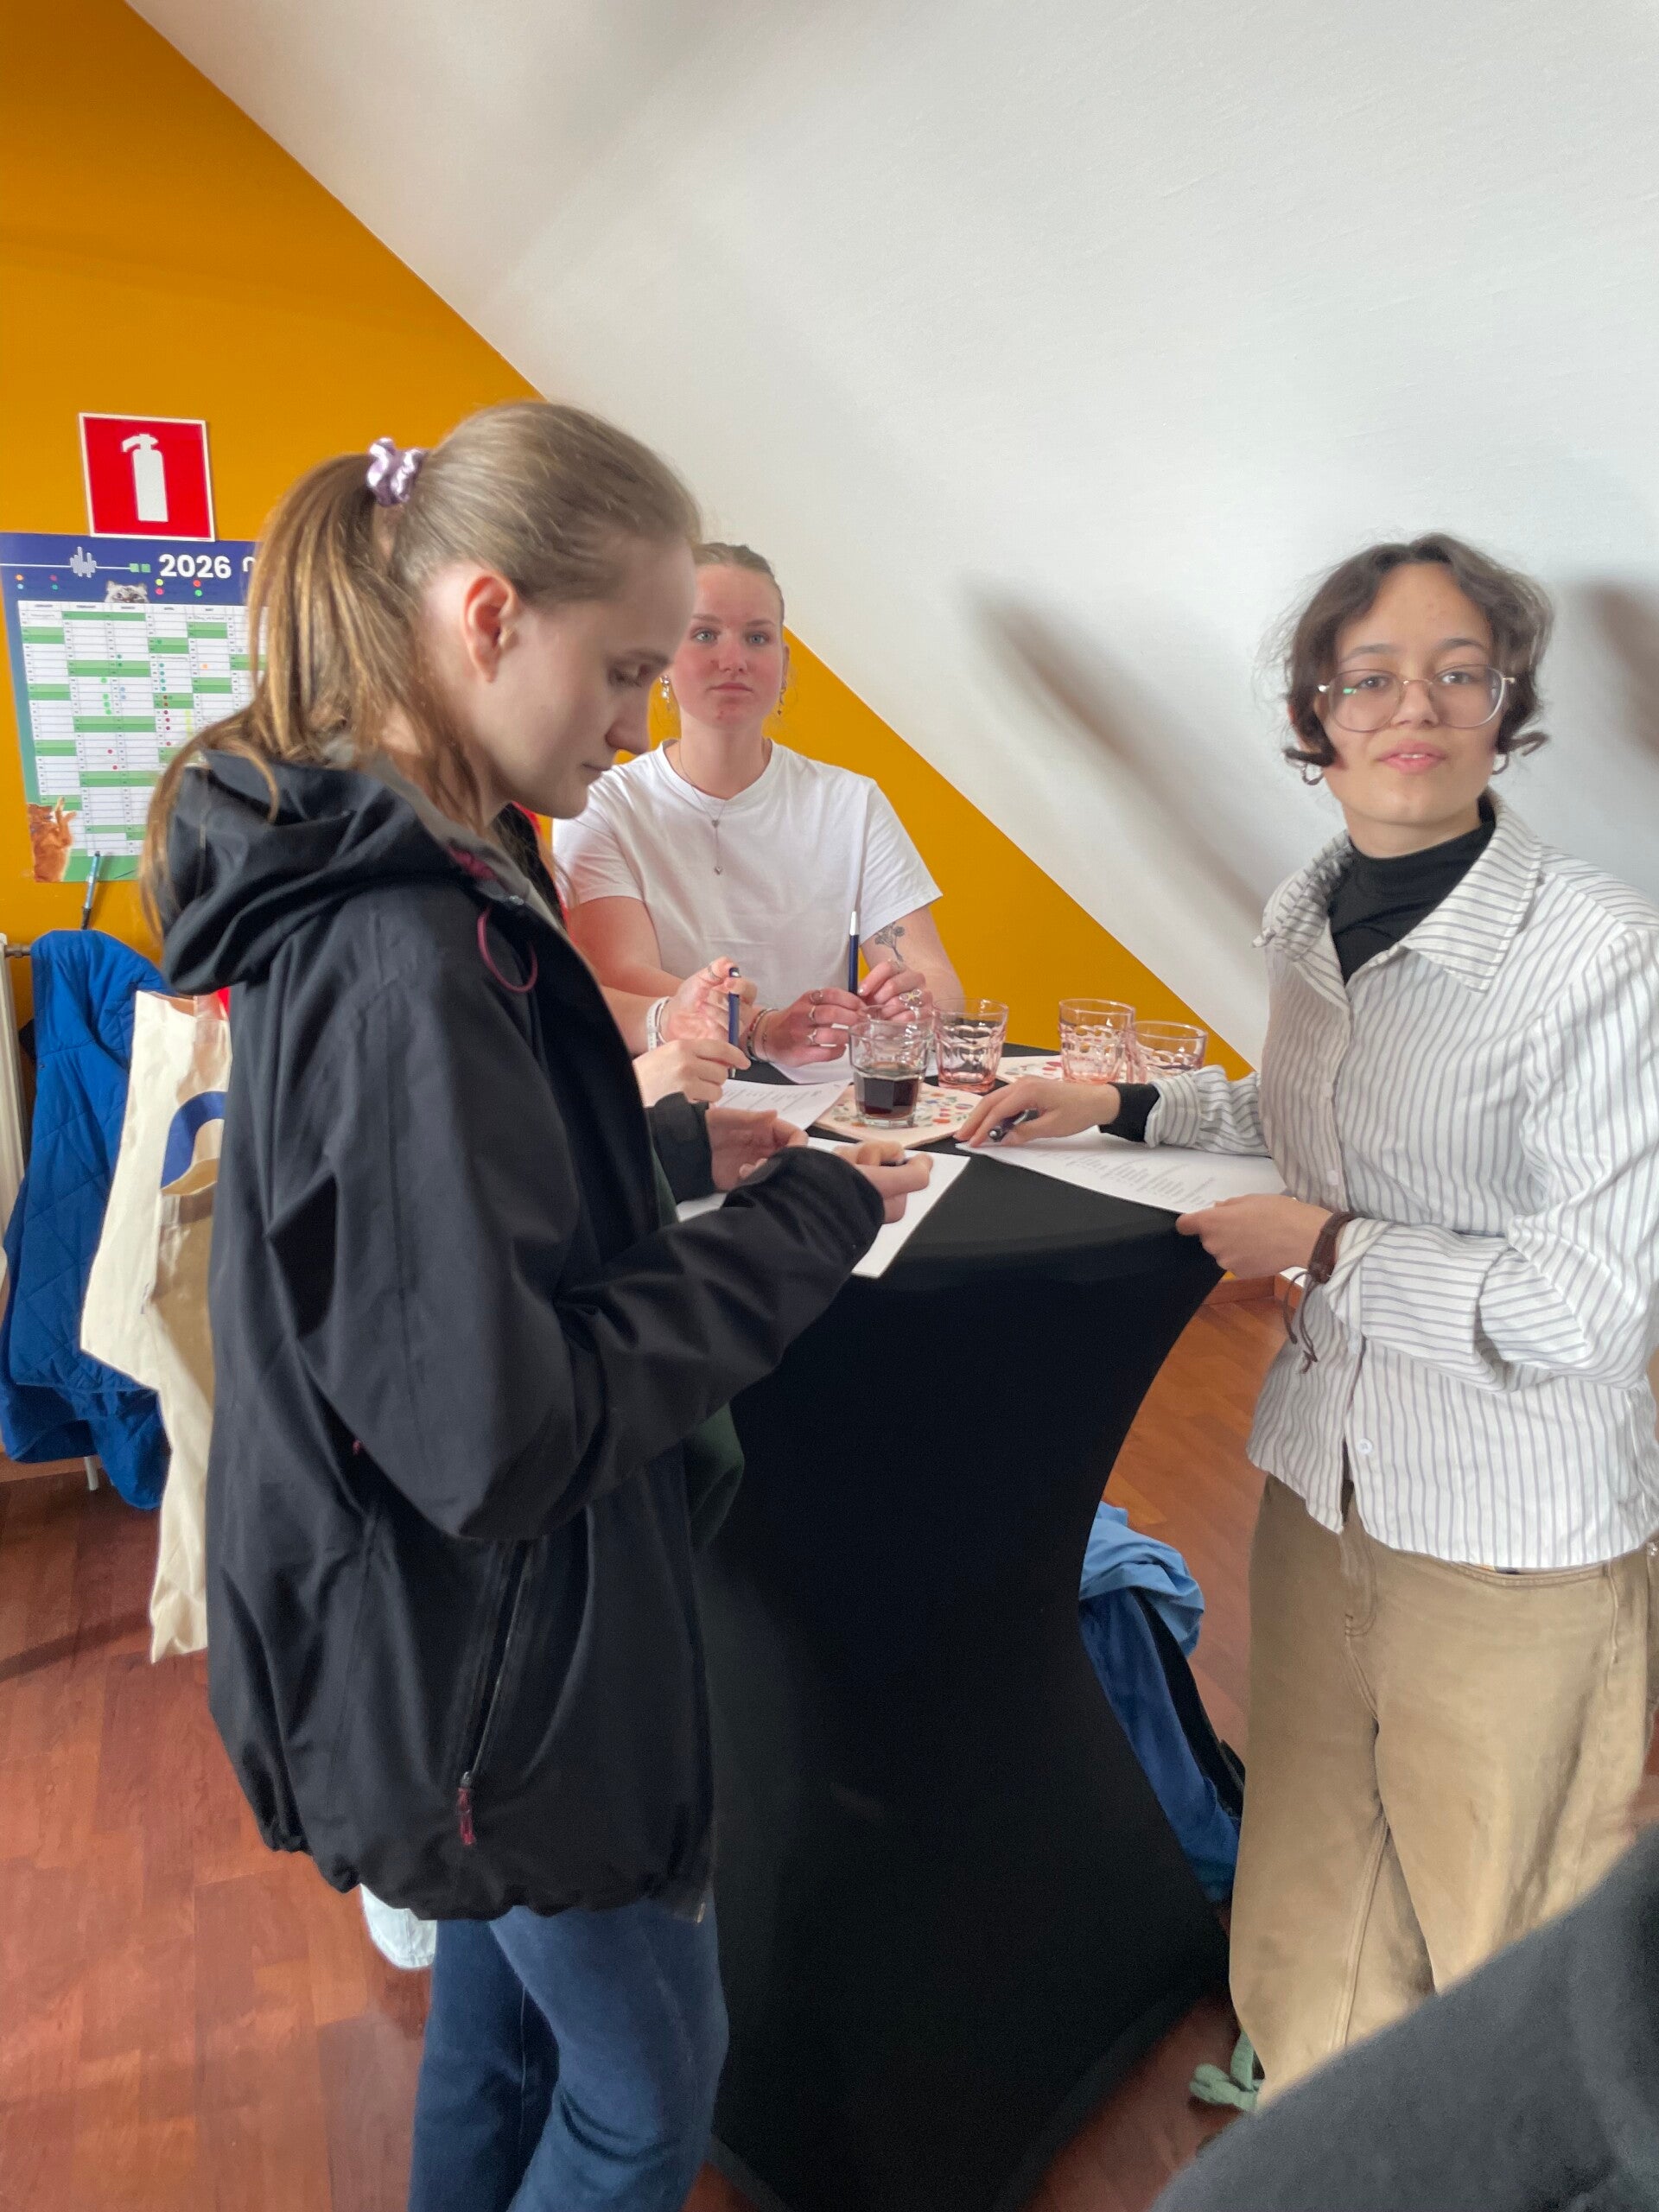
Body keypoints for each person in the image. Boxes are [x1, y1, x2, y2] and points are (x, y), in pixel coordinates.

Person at [143, 403, 929, 2212]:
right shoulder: (410, 942)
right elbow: (500, 1429)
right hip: (492, 1665)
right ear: (490, 615)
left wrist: (661, 1145)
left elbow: (438, 1241)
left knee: (499, 2044)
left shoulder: (426, 875)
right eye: (631, 665)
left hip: (455, 1642)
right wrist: (809, 1213)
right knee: (646, 2097)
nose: (643, 718)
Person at [963, 534, 1659, 2096]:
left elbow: (1590, 1309)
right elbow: (1310, 1117)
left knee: (1504, 1915)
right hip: (1329, 1478)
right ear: (1314, 717)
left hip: (1514, 1520)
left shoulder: (1604, 950)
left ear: (1507, 708)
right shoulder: (1311, 912)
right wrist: (1123, 1101)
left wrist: (1329, 1247)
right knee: (1313, 1854)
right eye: (1371, 677)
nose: (1416, 705)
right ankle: (1318, 2116)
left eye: (1460, 672)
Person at [559, 541, 963, 1074]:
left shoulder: (851, 801)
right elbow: (620, 973)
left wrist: (915, 1004)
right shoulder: (604, 802)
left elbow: (935, 977)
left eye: (757, 637)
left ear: (784, 664)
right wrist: (762, 1029)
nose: (733, 660)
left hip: (831, 1098)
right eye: (704, 634)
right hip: (684, 1093)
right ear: (661, 657)